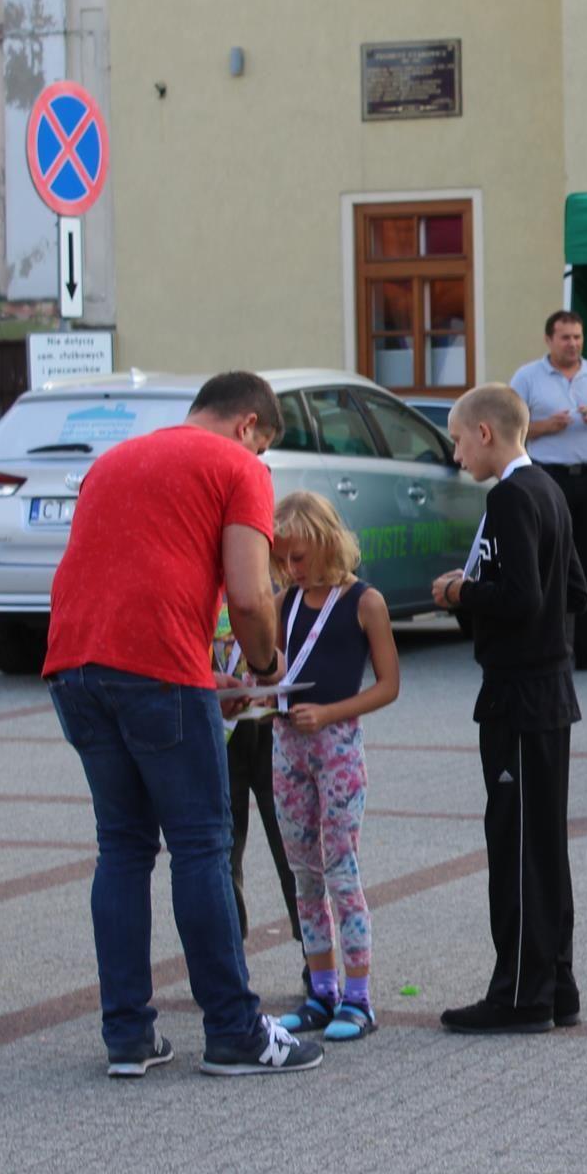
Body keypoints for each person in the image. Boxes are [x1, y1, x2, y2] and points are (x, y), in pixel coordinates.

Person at [44, 371, 322, 1078]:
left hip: (74, 665)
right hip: (157, 673)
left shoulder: (114, 462)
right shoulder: (237, 466)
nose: (262, 461)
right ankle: (234, 1032)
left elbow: (128, 576)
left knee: (123, 848)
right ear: (249, 427)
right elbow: (253, 595)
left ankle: (129, 1037)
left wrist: (204, 677)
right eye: (264, 447)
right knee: (200, 846)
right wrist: (264, 668)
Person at [432, 384, 587, 1035]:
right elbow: (575, 589)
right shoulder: (548, 490)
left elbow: (522, 596)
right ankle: (557, 986)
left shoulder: (510, 496)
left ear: (487, 433)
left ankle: (521, 995)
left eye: (458, 439)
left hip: (520, 694)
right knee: (543, 844)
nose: (457, 452)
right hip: (546, 689)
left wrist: (461, 591)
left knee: (518, 845)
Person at [269, 492, 400, 1044]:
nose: (291, 570)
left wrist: (328, 713)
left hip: (338, 746)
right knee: (303, 871)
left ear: (325, 543)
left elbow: (388, 686)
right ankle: (321, 989)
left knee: (341, 870)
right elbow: (275, 667)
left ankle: (359, 997)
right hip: (287, 746)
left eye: (298, 558)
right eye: (284, 561)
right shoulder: (285, 602)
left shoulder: (365, 602)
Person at [512, 311, 587, 672]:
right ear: (549, 340)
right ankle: (549, 645)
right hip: (548, 478)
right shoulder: (527, 376)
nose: (573, 344)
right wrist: (545, 426)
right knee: (549, 561)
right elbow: (508, 426)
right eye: (565, 338)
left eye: (578, 337)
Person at [214, 598, 300, 985]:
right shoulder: (198, 577)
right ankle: (229, 961)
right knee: (222, 851)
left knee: (292, 848)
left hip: (272, 729)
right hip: (219, 732)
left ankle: (315, 956)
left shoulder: (276, 585)